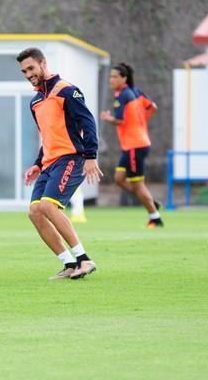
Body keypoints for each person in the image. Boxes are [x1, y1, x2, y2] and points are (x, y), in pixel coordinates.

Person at [17, 47, 104, 280]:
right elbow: (47, 136)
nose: (28, 74)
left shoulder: (66, 90)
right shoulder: (35, 101)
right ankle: (69, 263)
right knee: (35, 212)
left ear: (43, 64)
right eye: (24, 71)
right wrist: (37, 164)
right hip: (48, 163)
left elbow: (88, 123)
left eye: (31, 68)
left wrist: (90, 156)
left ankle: (84, 260)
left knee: (47, 206)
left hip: (71, 158)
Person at [100, 62, 163, 228]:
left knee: (137, 183)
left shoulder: (122, 95)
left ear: (124, 78)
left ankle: (155, 217)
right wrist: (141, 121)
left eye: (114, 76)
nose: (111, 79)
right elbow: (153, 107)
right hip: (134, 144)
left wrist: (107, 118)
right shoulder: (136, 92)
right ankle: (150, 201)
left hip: (135, 145)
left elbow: (120, 120)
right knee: (119, 179)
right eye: (111, 76)